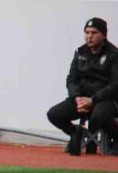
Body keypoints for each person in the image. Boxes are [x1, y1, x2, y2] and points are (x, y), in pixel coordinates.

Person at [47, 18, 118, 156]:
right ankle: (75, 133)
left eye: (94, 33)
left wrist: (93, 100)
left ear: (103, 35)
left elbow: (115, 85)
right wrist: (76, 98)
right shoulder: (80, 52)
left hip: (104, 100)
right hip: (82, 99)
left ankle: (116, 138)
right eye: (87, 32)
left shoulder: (114, 55)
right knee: (54, 114)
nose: (89, 36)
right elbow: (71, 79)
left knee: (99, 116)